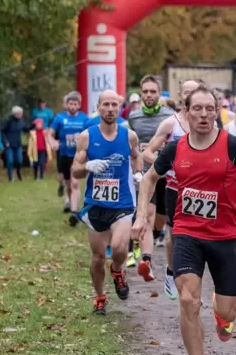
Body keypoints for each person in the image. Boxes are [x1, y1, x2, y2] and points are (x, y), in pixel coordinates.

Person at [132, 85, 236, 355]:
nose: (205, 115)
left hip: (224, 236)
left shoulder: (231, 145)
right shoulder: (176, 148)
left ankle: (221, 314)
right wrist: (142, 216)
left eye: (210, 109)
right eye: (198, 109)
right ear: (187, 112)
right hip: (187, 232)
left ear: (216, 112)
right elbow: (149, 179)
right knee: (186, 300)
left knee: (229, 312)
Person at [73, 90, 142, 315]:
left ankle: (118, 270)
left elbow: (136, 154)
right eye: (106, 105)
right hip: (96, 204)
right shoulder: (87, 136)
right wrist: (87, 167)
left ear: (120, 108)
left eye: (115, 105)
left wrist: (138, 173)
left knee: (121, 247)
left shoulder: (129, 135)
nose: (110, 109)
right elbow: (75, 170)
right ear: (99, 107)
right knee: (97, 257)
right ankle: (100, 297)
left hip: (122, 203)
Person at [141, 79, 200, 299]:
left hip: (201, 190)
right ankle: (170, 270)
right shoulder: (170, 123)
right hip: (174, 188)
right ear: (181, 95)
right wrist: (166, 165)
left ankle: (192, 279)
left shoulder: (208, 124)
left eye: (195, 92)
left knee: (199, 236)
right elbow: (148, 152)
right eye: (187, 92)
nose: (190, 95)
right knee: (174, 236)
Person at [126, 76, 176, 270]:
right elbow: (131, 144)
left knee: (160, 220)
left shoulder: (170, 116)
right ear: (140, 93)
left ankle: (154, 235)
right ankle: (146, 260)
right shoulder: (134, 117)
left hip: (169, 175)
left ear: (159, 93)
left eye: (152, 91)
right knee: (148, 214)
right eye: (145, 91)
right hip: (147, 175)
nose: (148, 95)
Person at [48, 92, 89, 225]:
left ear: (79, 105)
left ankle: (74, 212)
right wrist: (52, 142)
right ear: (66, 105)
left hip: (78, 156)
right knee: (67, 183)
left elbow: (91, 134)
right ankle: (67, 195)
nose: (72, 106)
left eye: (75, 104)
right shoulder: (59, 118)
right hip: (63, 154)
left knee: (75, 183)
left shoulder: (84, 119)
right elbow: (50, 134)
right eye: (70, 104)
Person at [1, 106, 28, 182]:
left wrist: (33, 126)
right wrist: (5, 141)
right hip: (9, 144)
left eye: (21, 113)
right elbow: (2, 132)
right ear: (15, 114)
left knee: (19, 160)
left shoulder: (21, 121)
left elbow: (25, 129)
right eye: (20, 114)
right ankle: (10, 177)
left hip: (18, 144)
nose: (21, 115)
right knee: (10, 161)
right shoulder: (8, 121)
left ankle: (18, 172)